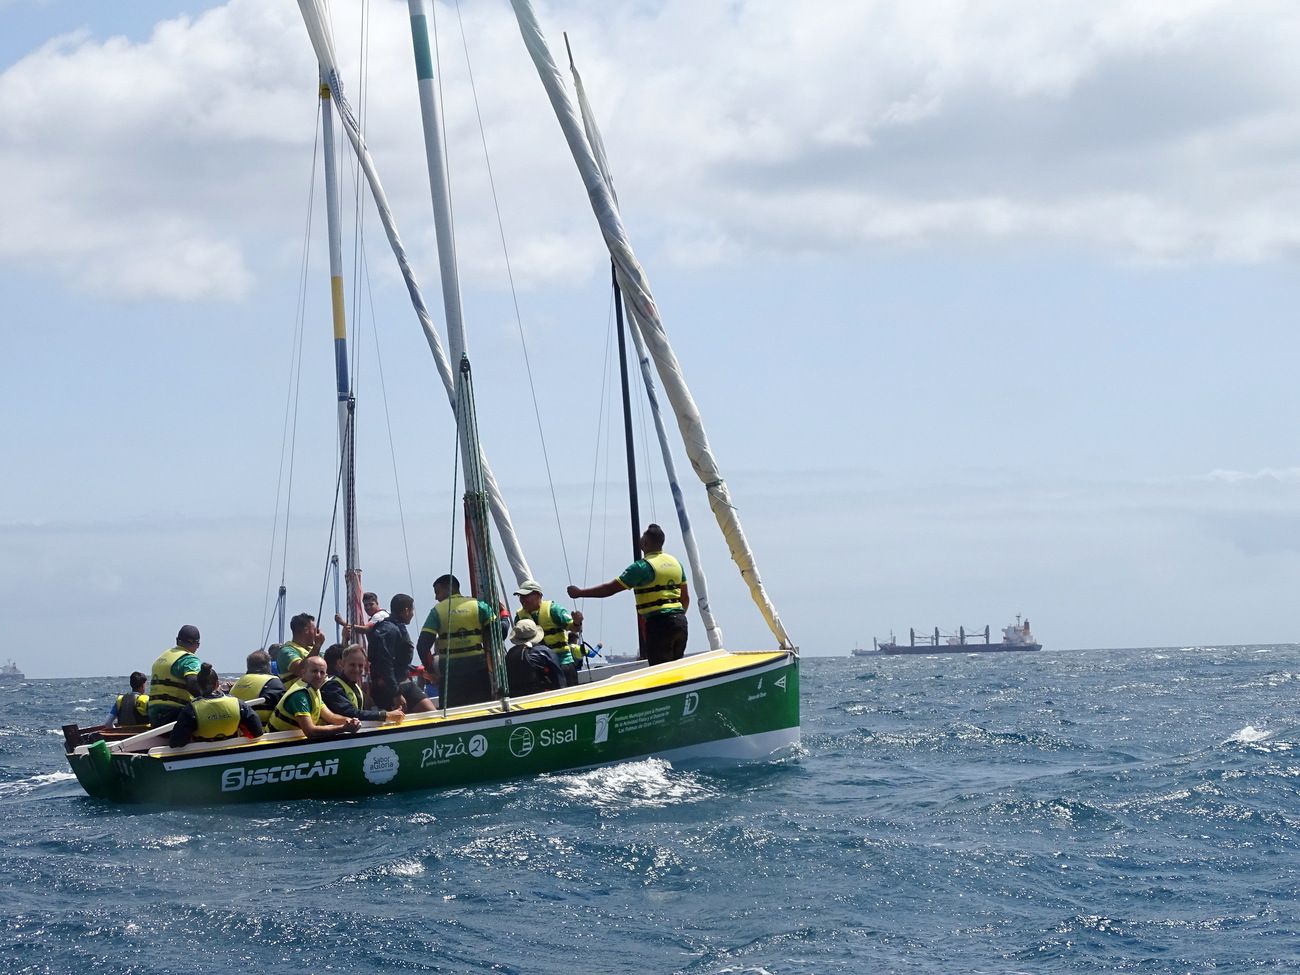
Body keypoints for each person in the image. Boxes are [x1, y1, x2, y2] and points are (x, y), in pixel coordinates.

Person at [567, 523, 690, 666]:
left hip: (659, 623)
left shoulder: (641, 567)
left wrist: (580, 593)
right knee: (675, 668)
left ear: (645, 542)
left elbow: (609, 589)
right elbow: (685, 598)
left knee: (661, 670)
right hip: (680, 623)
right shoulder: (676, 563)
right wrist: (677, 617)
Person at [416, 574, 495, 709]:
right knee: (483, 708)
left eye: (437, 592)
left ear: (448, 588)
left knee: (453, 712)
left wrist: (432, 671)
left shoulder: (437, 611)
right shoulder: (479, 606)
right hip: (479, 670)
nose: (436, 598)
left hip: (451, 673)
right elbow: (499, 633)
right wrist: (504, 613)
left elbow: (422, 646)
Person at [169, 663, 263, 748]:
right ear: (217, 684)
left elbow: (177, 742)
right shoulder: (238, 703)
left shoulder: (191, 709)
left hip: (203, 755)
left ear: (198, 685)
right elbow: (257, 732)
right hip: (232, 752)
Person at [369, 594, 435, 713]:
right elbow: (384, 662)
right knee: (431, 714)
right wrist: (396, 694)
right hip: (394, 687)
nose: (412, 614)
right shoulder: (389, 630)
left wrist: (416, 669)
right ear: (406, 610)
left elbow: (396, 662)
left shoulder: (394, 627)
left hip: (400, 682)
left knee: (430, 714)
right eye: (412, 610)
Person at [266, 655, 361, 738]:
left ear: (326, 676)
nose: (318, 676)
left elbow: (331, 717)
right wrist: (343, 728)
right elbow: (310, 731)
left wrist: (349, 721)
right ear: (303, 673)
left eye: (322, 672)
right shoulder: (300, 695)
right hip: (275, 743)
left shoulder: (314, 691)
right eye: (314, 671)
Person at [512, 579, 583, 686]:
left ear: (538, 595)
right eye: (520, 596)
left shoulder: (553, 610)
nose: (522, 599)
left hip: (562, 662)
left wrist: (577, 622)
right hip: (540, 666)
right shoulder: (519, 616)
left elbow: (574, 628)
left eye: (526, 596)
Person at [322, 644, 404, 724]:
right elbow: (350, 714)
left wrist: (391, 713)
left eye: (360, 666)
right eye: (352, 665)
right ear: (342, 664)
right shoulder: (332, 687)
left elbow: (370, 710)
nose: (356, 669)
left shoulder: (355, 687)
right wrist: (386, 715)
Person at [147, 625, 205, 726]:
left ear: (177, 640)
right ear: (197, 644)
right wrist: (207, 699)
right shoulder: (189, 659)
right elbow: (192, 684)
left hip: (153, 717)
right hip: (175, 716)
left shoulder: (162, 657)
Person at [504, 619, 566, 696]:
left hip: (517, 699)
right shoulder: (544, 651)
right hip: (542, 697)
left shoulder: (510, 654)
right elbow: (559, 680)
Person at [229, 649, 285, 727]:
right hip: (261, 729)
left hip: (237, 727)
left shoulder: (239, 681)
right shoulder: (273, 681)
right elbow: (285, 706)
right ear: (268, 665)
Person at [276, 613, 325, 685]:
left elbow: (333, 665)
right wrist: (317, 646)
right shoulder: (286, 651)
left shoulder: (313, 650)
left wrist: (344, 640)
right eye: (315, 630)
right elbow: (300, 670)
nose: (316, 633)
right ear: (306, 630)